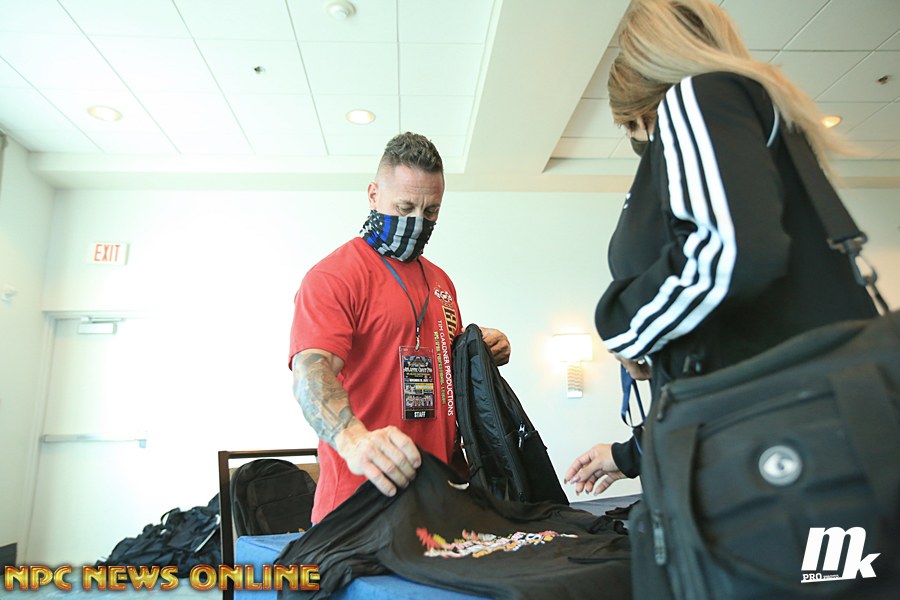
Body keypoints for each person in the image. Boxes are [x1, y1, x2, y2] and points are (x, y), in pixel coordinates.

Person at [565, 0, 877, 495]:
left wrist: (626, 329)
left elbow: (730, 253)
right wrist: (631, 453)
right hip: (811, 424)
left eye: (636, 129)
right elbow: (734, 348)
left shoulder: (699, 96)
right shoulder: (769, 121)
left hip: (775, 453)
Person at [289, 131, 511, 523]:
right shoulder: (333, 277)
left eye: (430, 212)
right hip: (361, 505)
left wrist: (480, 350)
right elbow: (311, 370)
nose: (416, 222)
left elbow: (443, 365)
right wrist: (352, 440)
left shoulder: (441, 281)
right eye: (405, 206)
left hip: (442, 496)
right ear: (373, 194)